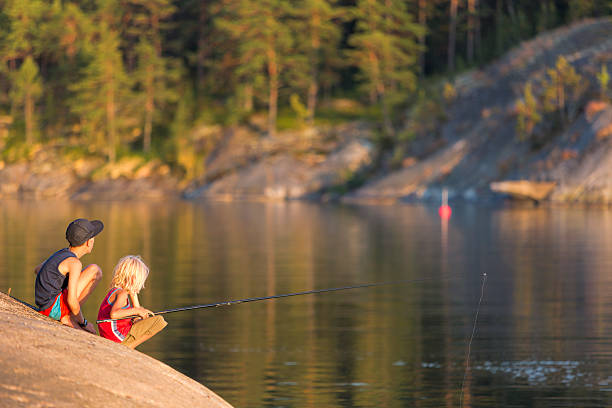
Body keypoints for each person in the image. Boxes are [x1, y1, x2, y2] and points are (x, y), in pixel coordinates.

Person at [34, 218, 103, 334]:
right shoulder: (75, 263)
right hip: (52, 309)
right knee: (95, 271)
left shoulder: (62, 253)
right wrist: (83, 323)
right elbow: (71, 300)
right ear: (88, 242)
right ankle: (70, 317)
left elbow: (38, 270)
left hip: (44, 305)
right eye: (93, 237)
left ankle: (68, 315)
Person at [97, 255, 167, 349]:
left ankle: (128, 345)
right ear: (133, 278)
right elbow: (114, 314)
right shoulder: (122, 294)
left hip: (109, 336)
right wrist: (138, 311)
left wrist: (135, 298)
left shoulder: (116, 291)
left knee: (143, 320)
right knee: (159, 321)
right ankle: (129, 347)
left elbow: (137, 317)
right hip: (116, 338)